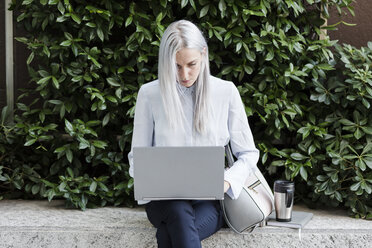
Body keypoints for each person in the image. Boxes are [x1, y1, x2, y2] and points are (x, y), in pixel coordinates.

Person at [128, 20, 259, 248]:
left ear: (204, 55)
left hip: (207, 202)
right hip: (163, 202)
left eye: (191, 64)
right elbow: (136, 158)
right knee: (178, 211)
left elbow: (248, 154)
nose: (185, 74)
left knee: (168, 236)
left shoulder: (225, 92)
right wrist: (148, 175)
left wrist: (226, 182)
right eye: (176, 66)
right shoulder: (149, 95)